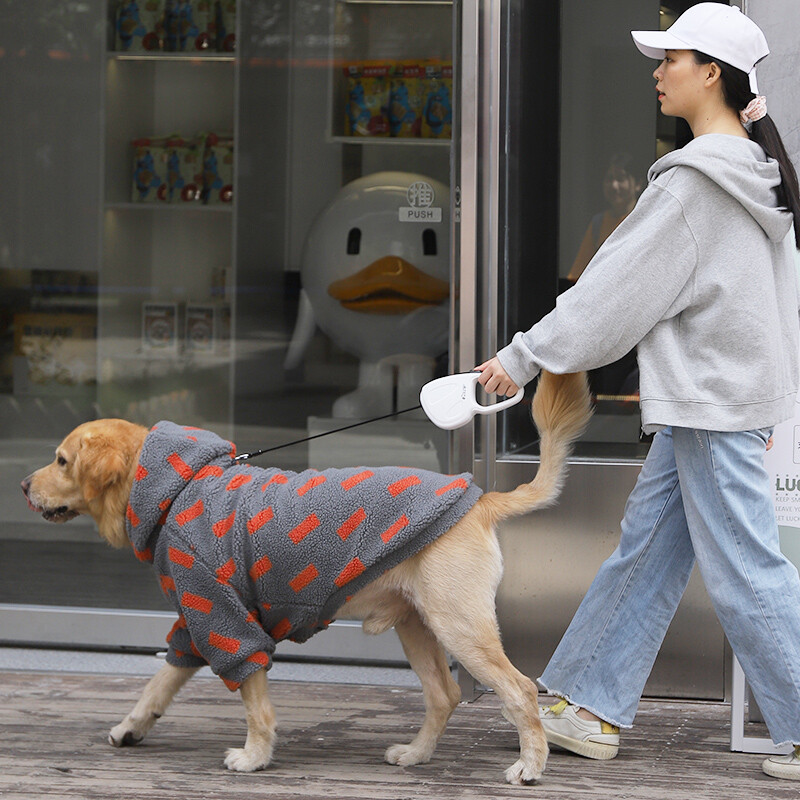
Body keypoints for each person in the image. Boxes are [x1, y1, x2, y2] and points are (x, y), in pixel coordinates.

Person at [476, 3, 800, 781]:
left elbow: (612, 293)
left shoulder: (697, 184)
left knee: (748, 572)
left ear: (711, 73)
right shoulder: (751, 173)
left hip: (710, 404)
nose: (658, 73)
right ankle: (586, 703)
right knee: (648, 553)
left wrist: (520, 359)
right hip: (713, 402)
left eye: (671, 59)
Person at [567, 153, 644, 398]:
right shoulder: (599, 223)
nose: (614, 186)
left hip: (637, 325)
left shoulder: (645, 220)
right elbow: (577, 277)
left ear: (637, 184)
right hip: (602, 325)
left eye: (621, 178)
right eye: (609, 179)